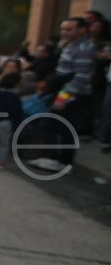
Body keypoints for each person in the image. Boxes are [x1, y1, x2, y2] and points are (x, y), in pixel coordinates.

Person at [30, 17, 95, 172]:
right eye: (63, 29)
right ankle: (55, 159)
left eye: (69, 29)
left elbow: (81, 77)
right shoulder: (71, 45)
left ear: (81, 30)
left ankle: (57, 160)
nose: (64, 32)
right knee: (57, 125)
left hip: (71, 94)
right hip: (62, 90)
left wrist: (62, 98)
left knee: (59, 126)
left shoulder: (84, 48)